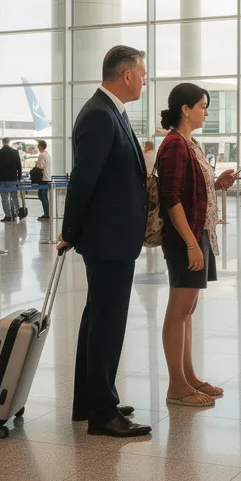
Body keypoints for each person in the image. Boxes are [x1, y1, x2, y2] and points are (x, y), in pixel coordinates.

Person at [57, 45, 151, 437]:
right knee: (107, 324)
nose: (145, 80)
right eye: (142, 74)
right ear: (126, 75)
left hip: (112, 237)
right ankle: (102, 413)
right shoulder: (99, 114)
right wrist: (69, 231)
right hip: (107, 240)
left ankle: (92, 398)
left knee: (97, 320)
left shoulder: (111, 111)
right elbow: (83, 179)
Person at [156, 82, 239, 408]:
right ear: (185, 109)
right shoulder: (175, 145)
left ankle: (188, 376)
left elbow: (191, 190)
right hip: (185, 237)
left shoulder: (191, 144)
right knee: (178, 311)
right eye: (203, 105)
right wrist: (191, 244)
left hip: (197, 233)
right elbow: (171, 198)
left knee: (187, 310)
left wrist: (217, 184)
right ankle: (177, 385)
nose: (206, 111)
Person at [0, 137, 22, 222]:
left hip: (2, 178)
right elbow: (19, 166)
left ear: (2, 142)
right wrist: (19, 178)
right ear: (9, 142)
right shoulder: (15, 152)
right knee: (14, 197)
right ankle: (16, 214)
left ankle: (8, 216)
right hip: (13, 178)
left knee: (4, 198)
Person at [33, 139, 52, 220]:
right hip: (47, 178)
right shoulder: (47, 154)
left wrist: (36, 164)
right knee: (43, 196)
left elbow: (40, 167)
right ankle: (47, 213)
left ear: (40, 146)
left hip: (43, 178)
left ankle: (47, 214)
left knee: (42, 196)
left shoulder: (41, 155)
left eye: (38, 145)